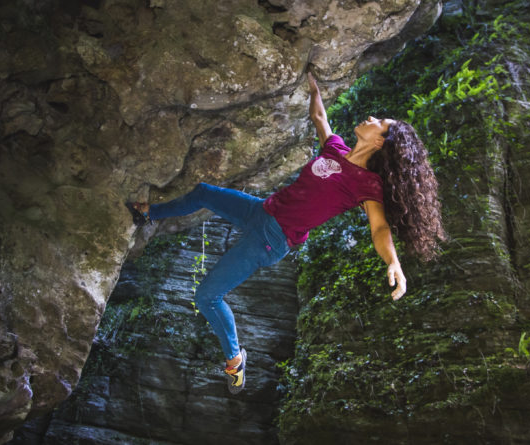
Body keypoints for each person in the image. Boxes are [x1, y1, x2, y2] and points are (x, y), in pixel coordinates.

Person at [127, 73, 446, 394]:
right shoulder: (335, 148)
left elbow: (379, 227)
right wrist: (313, 85)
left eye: (380, 122)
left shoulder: (368, 184)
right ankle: (148, 214)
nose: (372, 117)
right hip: (261, 210)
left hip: (270, 240)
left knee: (207, 296)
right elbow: (320, 117)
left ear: (380, 142)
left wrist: (393, 262)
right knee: (203, 193)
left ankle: (234, 359)